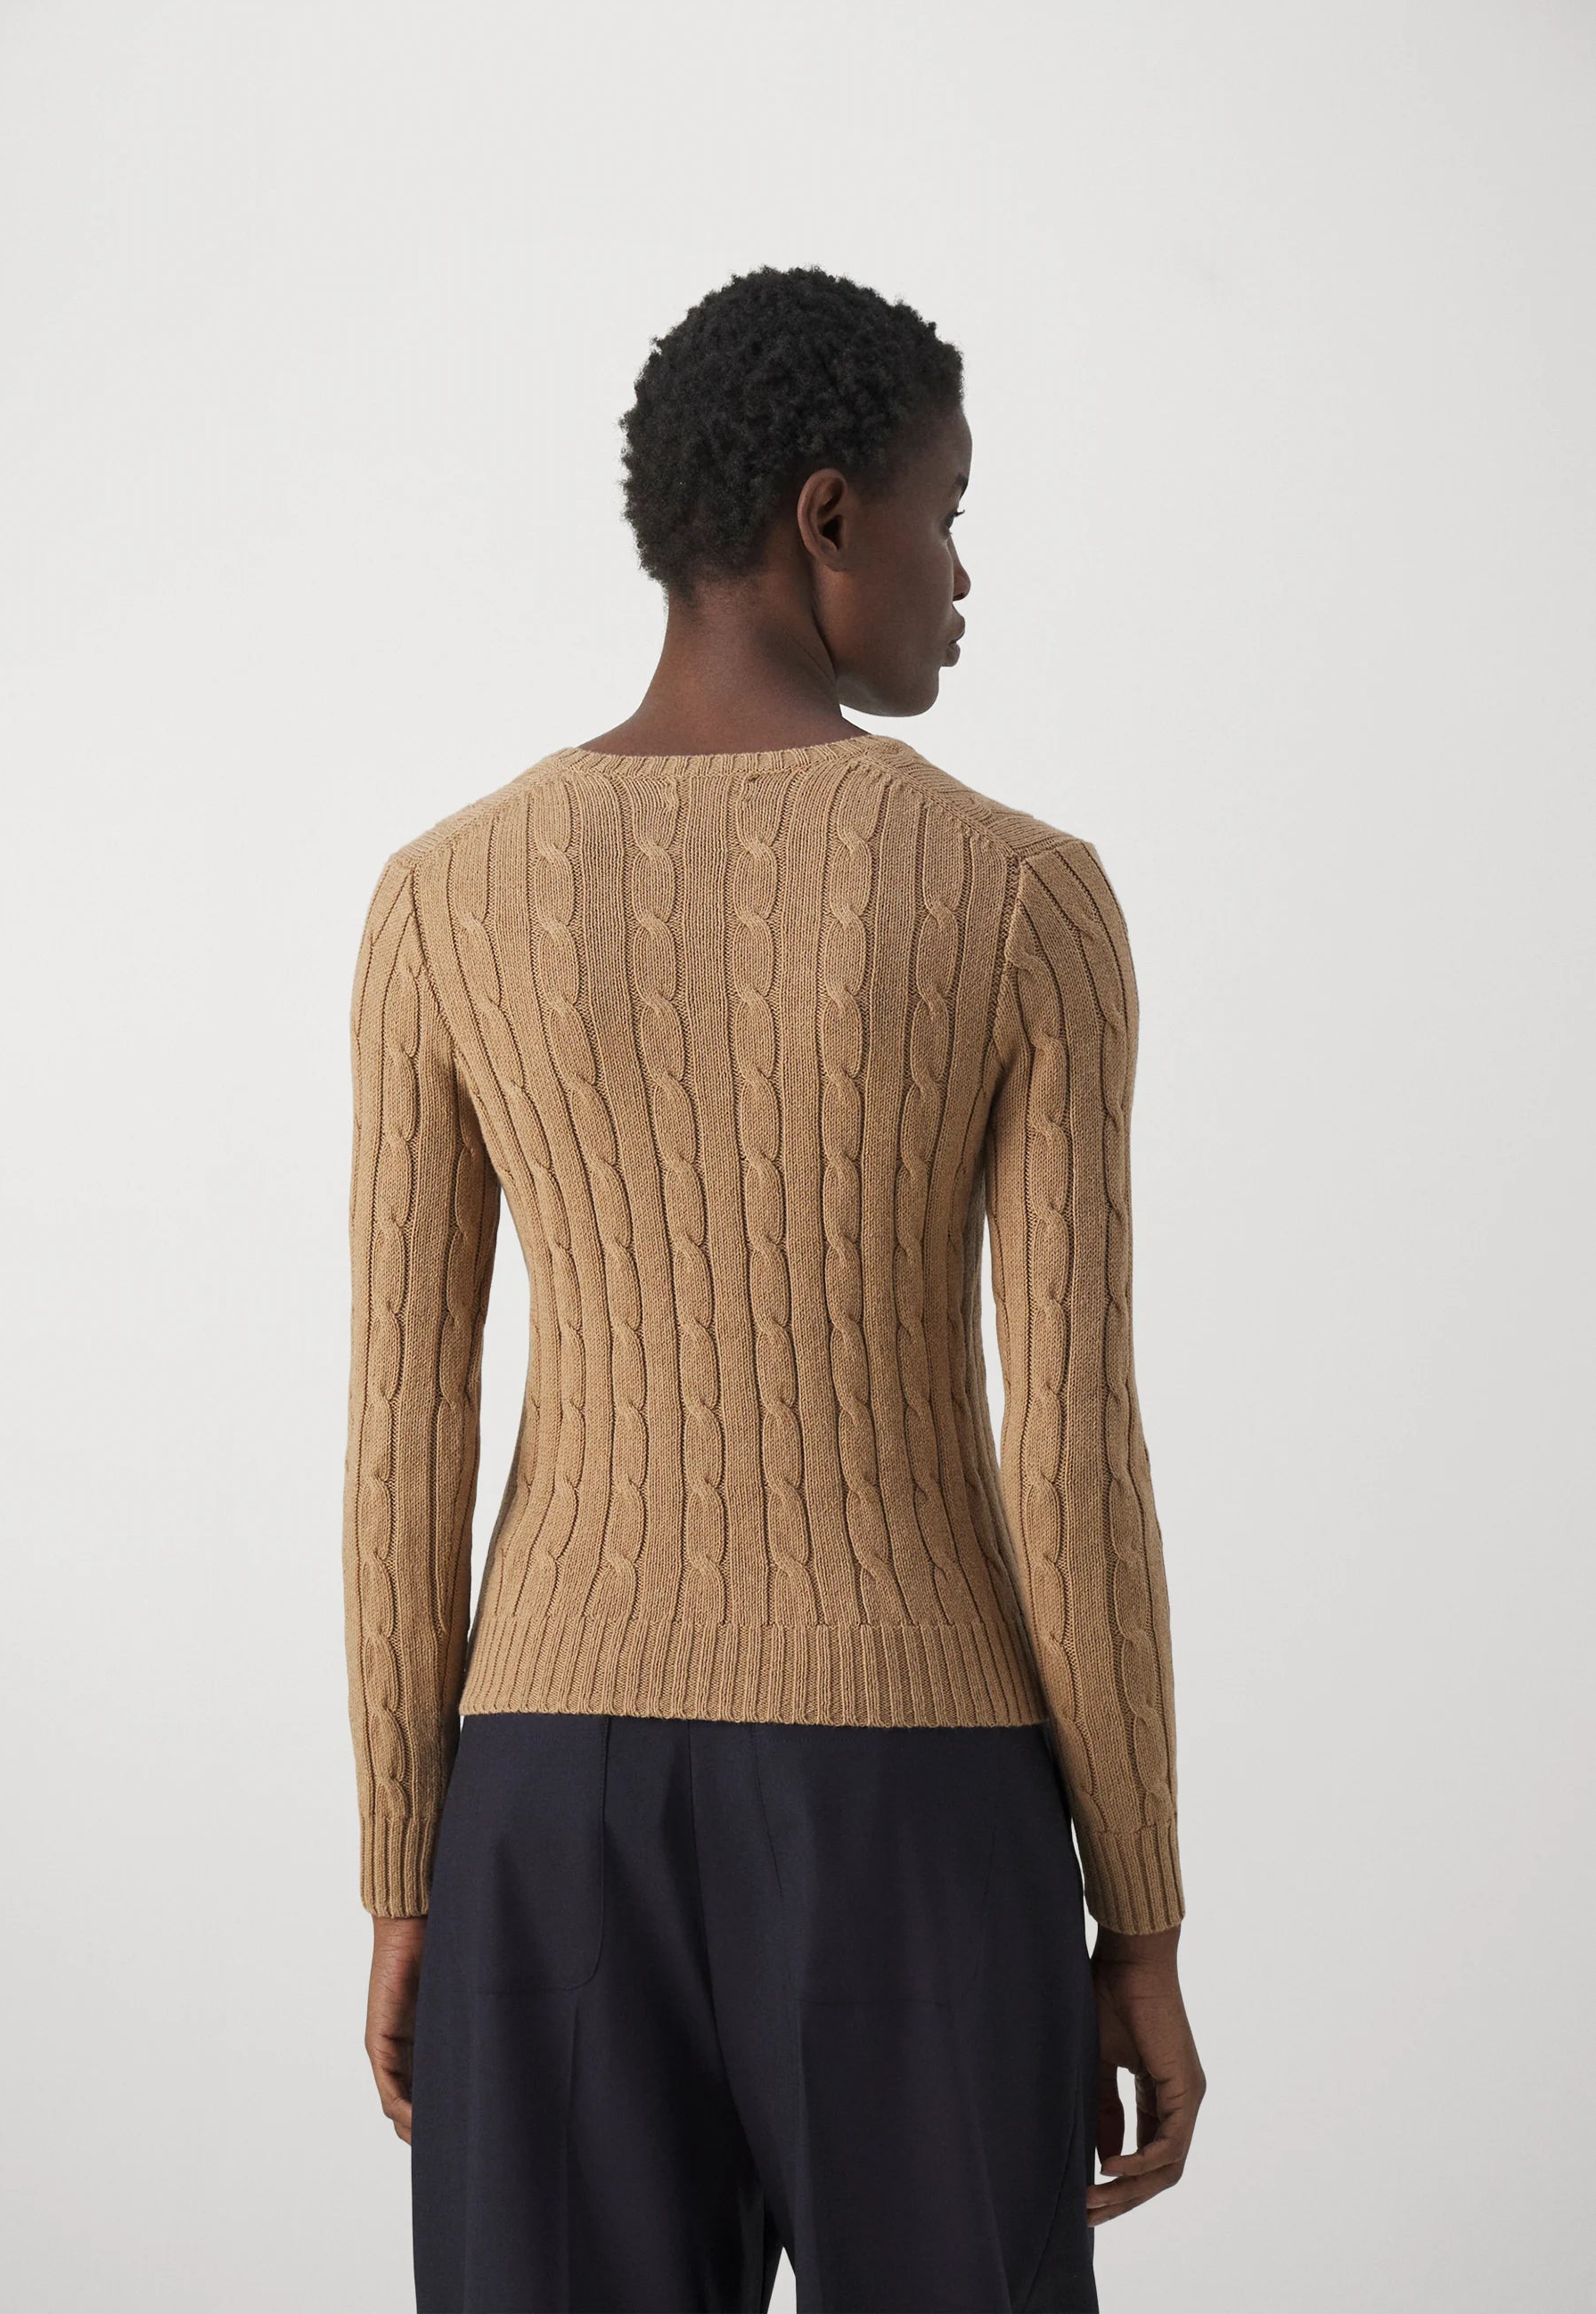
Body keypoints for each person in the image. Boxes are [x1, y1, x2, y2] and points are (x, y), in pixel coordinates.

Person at [341, 264, 1205, 2313]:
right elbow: (1069, 1452)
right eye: (944, 510)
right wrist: (1141, 1914)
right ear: (828, 516)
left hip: (546, 1804)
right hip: (918, 1796)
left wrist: (405, 1868)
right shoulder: (1021, 899)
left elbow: (402, 1435)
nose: (960, 573)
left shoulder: (443, 900)